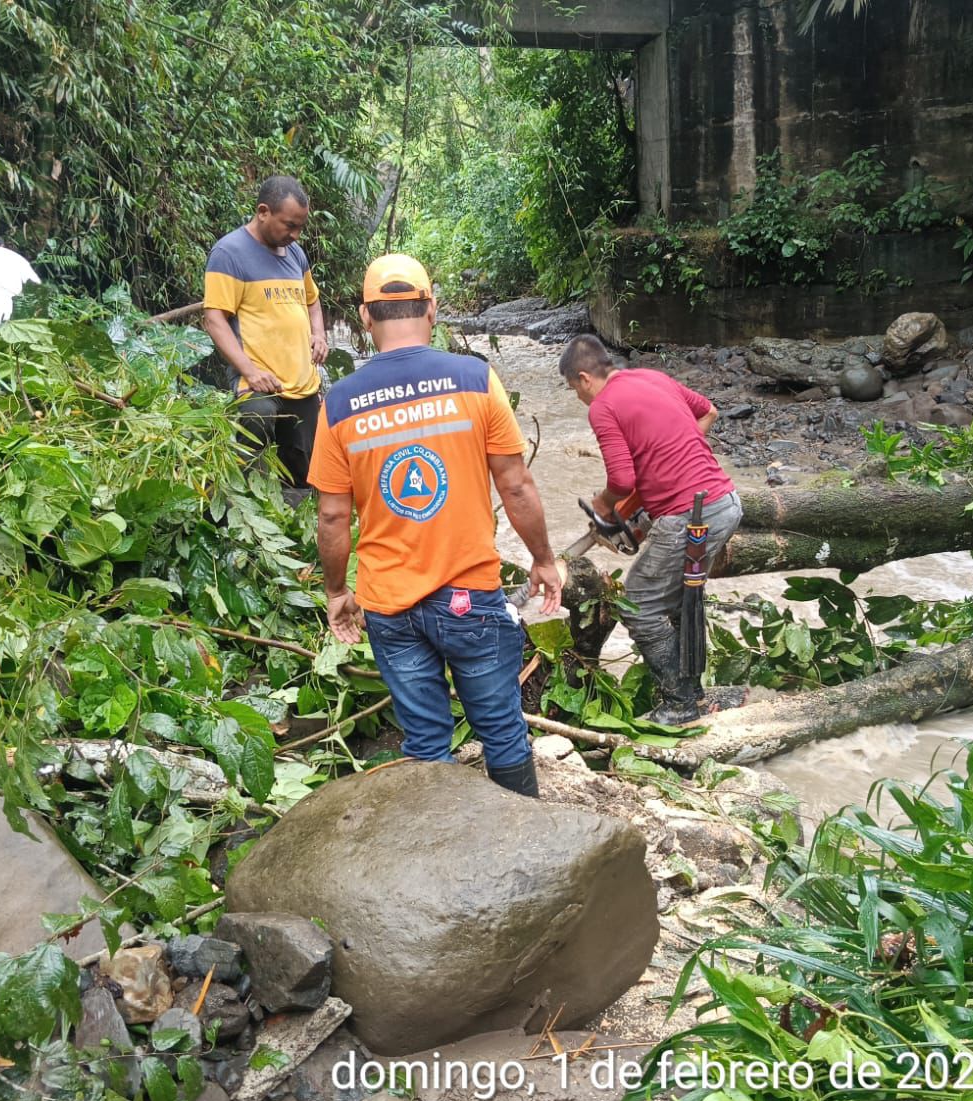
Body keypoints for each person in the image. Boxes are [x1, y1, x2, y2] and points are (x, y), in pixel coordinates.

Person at [309, 254, 563, 797]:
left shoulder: (340, 403)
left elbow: (332, 515)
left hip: (390, 605)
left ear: (364, 317)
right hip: (469, 595)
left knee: (425, 743)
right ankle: (528, 854)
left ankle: (439, 866)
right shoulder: (476, 378)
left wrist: (336, 591)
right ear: (431, 307)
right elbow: (515, 486)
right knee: (500, 730)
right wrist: (543, 559)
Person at [560, 333, 742, 725]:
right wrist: (671, 459)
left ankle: (678, 704)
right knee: (679, 604)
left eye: (575, 389)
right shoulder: (651, 378)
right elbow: (708, 411)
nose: (579, 398)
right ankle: (694, 696)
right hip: (724, 503)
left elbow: (622, 480)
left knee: (639, 601)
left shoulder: (603, 406)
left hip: (692, 515)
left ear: (584, 378)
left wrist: (603, 506)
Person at [202, 175, 328, 491]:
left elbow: (312, 301)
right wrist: (250, 371)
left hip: (302, 382)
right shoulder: (229, 253)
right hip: (258, 381)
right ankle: (245, 517)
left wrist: (319, 334)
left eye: (300, 226)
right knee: (255, 429)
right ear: (263, 212)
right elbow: (214, 320)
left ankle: (296, 526)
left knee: (305, 470)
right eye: (289, 225)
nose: (295, 234)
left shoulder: (296, 254)